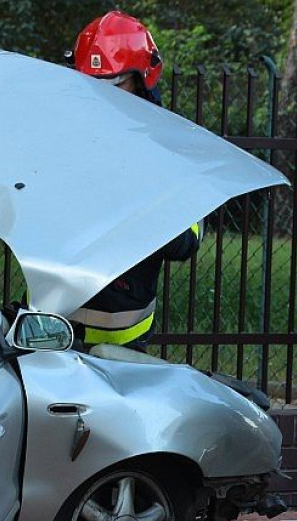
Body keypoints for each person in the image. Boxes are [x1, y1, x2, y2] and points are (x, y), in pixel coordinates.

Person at [67, 11, 200, 350]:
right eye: (89, 83)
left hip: (121, 344)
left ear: (143, 81)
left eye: (113, 84)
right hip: (49, 330)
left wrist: (133, 195)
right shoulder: (65, 135)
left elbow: (187, 240)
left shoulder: (168, 147)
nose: (99, 95)